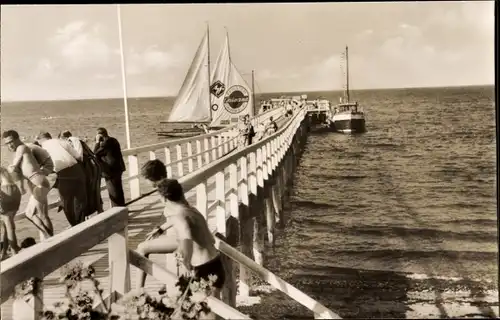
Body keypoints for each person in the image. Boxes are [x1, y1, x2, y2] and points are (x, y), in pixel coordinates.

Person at [135, 178, 225, 298]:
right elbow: (210, 239)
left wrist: (185, 262)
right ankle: (139, 293)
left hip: (203, 271)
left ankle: (138, 293)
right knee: (206, 311)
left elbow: (186, 236)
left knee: (206, 313)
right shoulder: (192, 211)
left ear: (164, 199)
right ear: (181, 193)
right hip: (215, 265)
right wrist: (162, 228)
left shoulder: (180, 217)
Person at [2, 130, 54, 238]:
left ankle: (49, 239)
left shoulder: (22, 148)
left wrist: (6, 170)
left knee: (29, 214)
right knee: (43, 215)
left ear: (18, 139)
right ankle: (49, 239)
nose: (9, 145)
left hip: (39, 184)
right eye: (7, 143)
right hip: (40, 183)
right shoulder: (23, 150)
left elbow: (13, 167)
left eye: (11, 141)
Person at [37, 132, 88, 226]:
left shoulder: (41, 148)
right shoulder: (61, 141)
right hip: (77, 170)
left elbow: (43, 167)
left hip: (63, 174)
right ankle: (82, 224)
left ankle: (74, 226)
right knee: (80, 200)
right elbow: (78, 156)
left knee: (66, 203)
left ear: (40, 140)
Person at [61, 131, 104, 215]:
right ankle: (99, 210)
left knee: (92, 189)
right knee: (94, 189)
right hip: (93, 165)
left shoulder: (73, 139)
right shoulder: (78, 140)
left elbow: (79, 156)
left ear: (65, 138)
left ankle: (96, 211)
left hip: (91, 166)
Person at [93, 128, 126, 207]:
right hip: (118, 168)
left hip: (111, 170)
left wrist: (97, 142)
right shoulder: (114, 140)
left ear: (100, 135)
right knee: (119, 189)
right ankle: (122, 208)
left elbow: (95, 153)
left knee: (113, 191)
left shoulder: (106, 143)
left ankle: (117, 210)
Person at [0, 166, 22, 260]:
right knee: (7, 225)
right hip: (15, 190)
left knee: (9, 227)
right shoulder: (3, 168)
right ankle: (4, 253)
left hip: (5, 191)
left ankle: (14, 253)